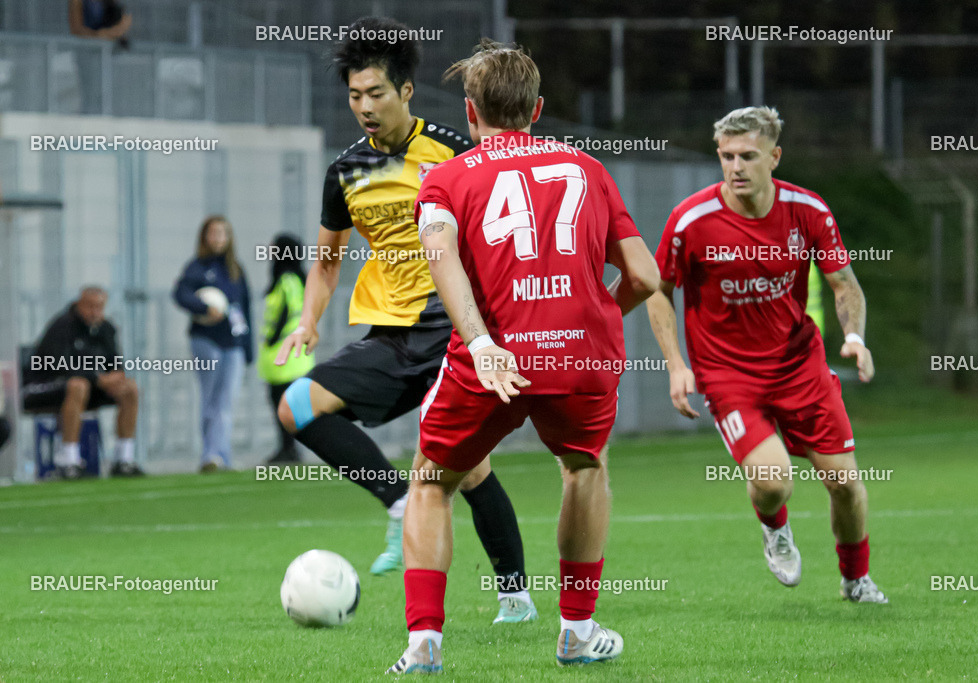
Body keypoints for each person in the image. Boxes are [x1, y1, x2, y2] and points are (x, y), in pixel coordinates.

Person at [386, 40, 660, 674]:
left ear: (470, 111)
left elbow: (441, 256)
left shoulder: (446, 177)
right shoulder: (588, 169)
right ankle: (577, 631)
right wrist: (592, 316)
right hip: (583, 359)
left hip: (495, 358)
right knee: (584, 469)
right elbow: (644, 277)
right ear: (537, 109)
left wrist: (482, 343)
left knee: (431, 482)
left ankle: (424, 643)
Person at [274, 17, 534, 625]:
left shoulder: (454, 150)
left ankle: (516, 595)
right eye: (355, 95)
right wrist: (309, 321)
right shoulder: (345, 172)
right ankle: (396, 503)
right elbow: (327, 262)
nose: (365, 107)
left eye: (377, 93)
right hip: (392, 338)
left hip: (454, 334)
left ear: (406, 91)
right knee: (299, 407)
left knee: (467, 468)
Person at [646, 106, 887, 604]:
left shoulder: (809, 211)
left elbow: (844, 284)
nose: (736, 167)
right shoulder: (691, 220)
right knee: (774, 480)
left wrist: (856, 339)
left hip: (800, 367)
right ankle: (775, 529)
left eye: (748, 156)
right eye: (727, 156)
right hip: (727, 375)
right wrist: (676, 365)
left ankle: (855, 580)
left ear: (774, 157)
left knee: (845, 484)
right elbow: (656, 289)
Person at [22, 286, 142, 477]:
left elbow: (115, 365)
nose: (95, 312)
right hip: (45, 386)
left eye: (99, 307)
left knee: (130, 388)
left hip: (90, 386)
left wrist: (115, 378)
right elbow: (60, 367)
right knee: (78, 385)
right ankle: (69, 460)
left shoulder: (106, 328)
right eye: (90, 307)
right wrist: (98, 378)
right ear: (79, 304)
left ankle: (124, 459)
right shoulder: (62, 326)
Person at [173, 216, 253, 473]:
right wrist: (204, 307)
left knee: (226, 401)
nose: (219, 238)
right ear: (205, 237)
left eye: (223, 233)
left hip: (233, 344)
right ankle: (210, 454)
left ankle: (223, 455)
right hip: (206, 340)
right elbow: (181, 294)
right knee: (210, 398)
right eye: (214, 233)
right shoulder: (197, 268)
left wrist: (247, 347)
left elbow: (245, 309)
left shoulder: (236, 270)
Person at [258, 234, 313, 464]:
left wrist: (272, 338)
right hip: (290, 355)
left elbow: (286, 312)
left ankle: (288, 448)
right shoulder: (298, 278)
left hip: (285, 355)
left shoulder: (287, 280)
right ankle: (289, 448)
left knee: (283, 404)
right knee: (289, 405)